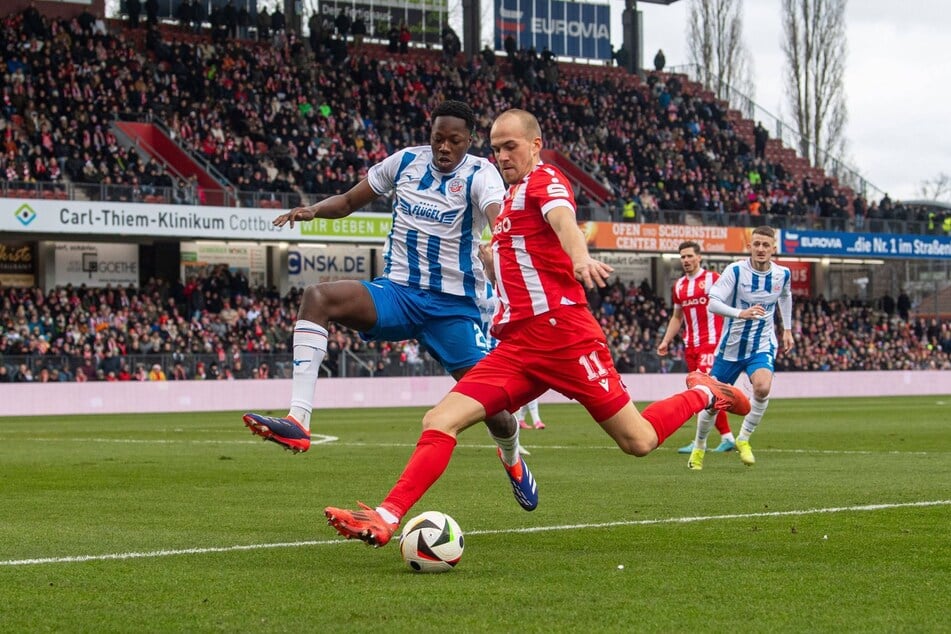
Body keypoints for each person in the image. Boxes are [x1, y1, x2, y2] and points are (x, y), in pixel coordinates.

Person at [322, 109, 750, 547]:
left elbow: (564, 221)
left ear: (535, 145)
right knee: (440, 419)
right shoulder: (506, 203)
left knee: (637, 440)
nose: (503, 156)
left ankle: (704, 391)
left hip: (565, 336)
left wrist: (580, 257)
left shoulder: (545, 182)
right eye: (496, 149)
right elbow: (524, 266)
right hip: (518, 346)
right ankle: (386, 516)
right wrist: (492, 263)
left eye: (511, 146)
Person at [242, 100, 535, 510]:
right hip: (397, 294)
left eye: (454, 140)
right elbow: (346, 202)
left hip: (452, 309)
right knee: (317, 297)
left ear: (469, 141)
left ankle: (513, 460)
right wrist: (312, 209)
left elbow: (495, 212)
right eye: (438, 139)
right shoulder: (405, 163)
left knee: (496, 410)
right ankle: (299, 420)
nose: (444, 148)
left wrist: (497, 239)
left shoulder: (481, 174)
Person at [685, 226, 794, 470]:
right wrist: (740, 313)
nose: (761, 249)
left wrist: (787, 329)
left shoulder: (783, 274)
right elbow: (713, 303)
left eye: (766, 245)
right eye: (756, 244)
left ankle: (743, 439)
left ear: (774, 248)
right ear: (750, 247)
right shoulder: (735, 270)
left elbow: (786, 297)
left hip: (761, 345)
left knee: (763, 387)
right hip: (730, 350)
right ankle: (699, 446)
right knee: (712, 403)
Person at [656, 241, 736, 455]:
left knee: (705, 391)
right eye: (682, 257)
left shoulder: (713, 279)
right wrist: (666, 340)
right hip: (690, 345)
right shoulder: (679, 285)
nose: (686, 260)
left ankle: (700, 442)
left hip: (711, 344)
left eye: (690, 256)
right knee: (705, 393)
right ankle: (727, 438)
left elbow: (732, 304)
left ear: (699, 257)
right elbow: (676, 316)